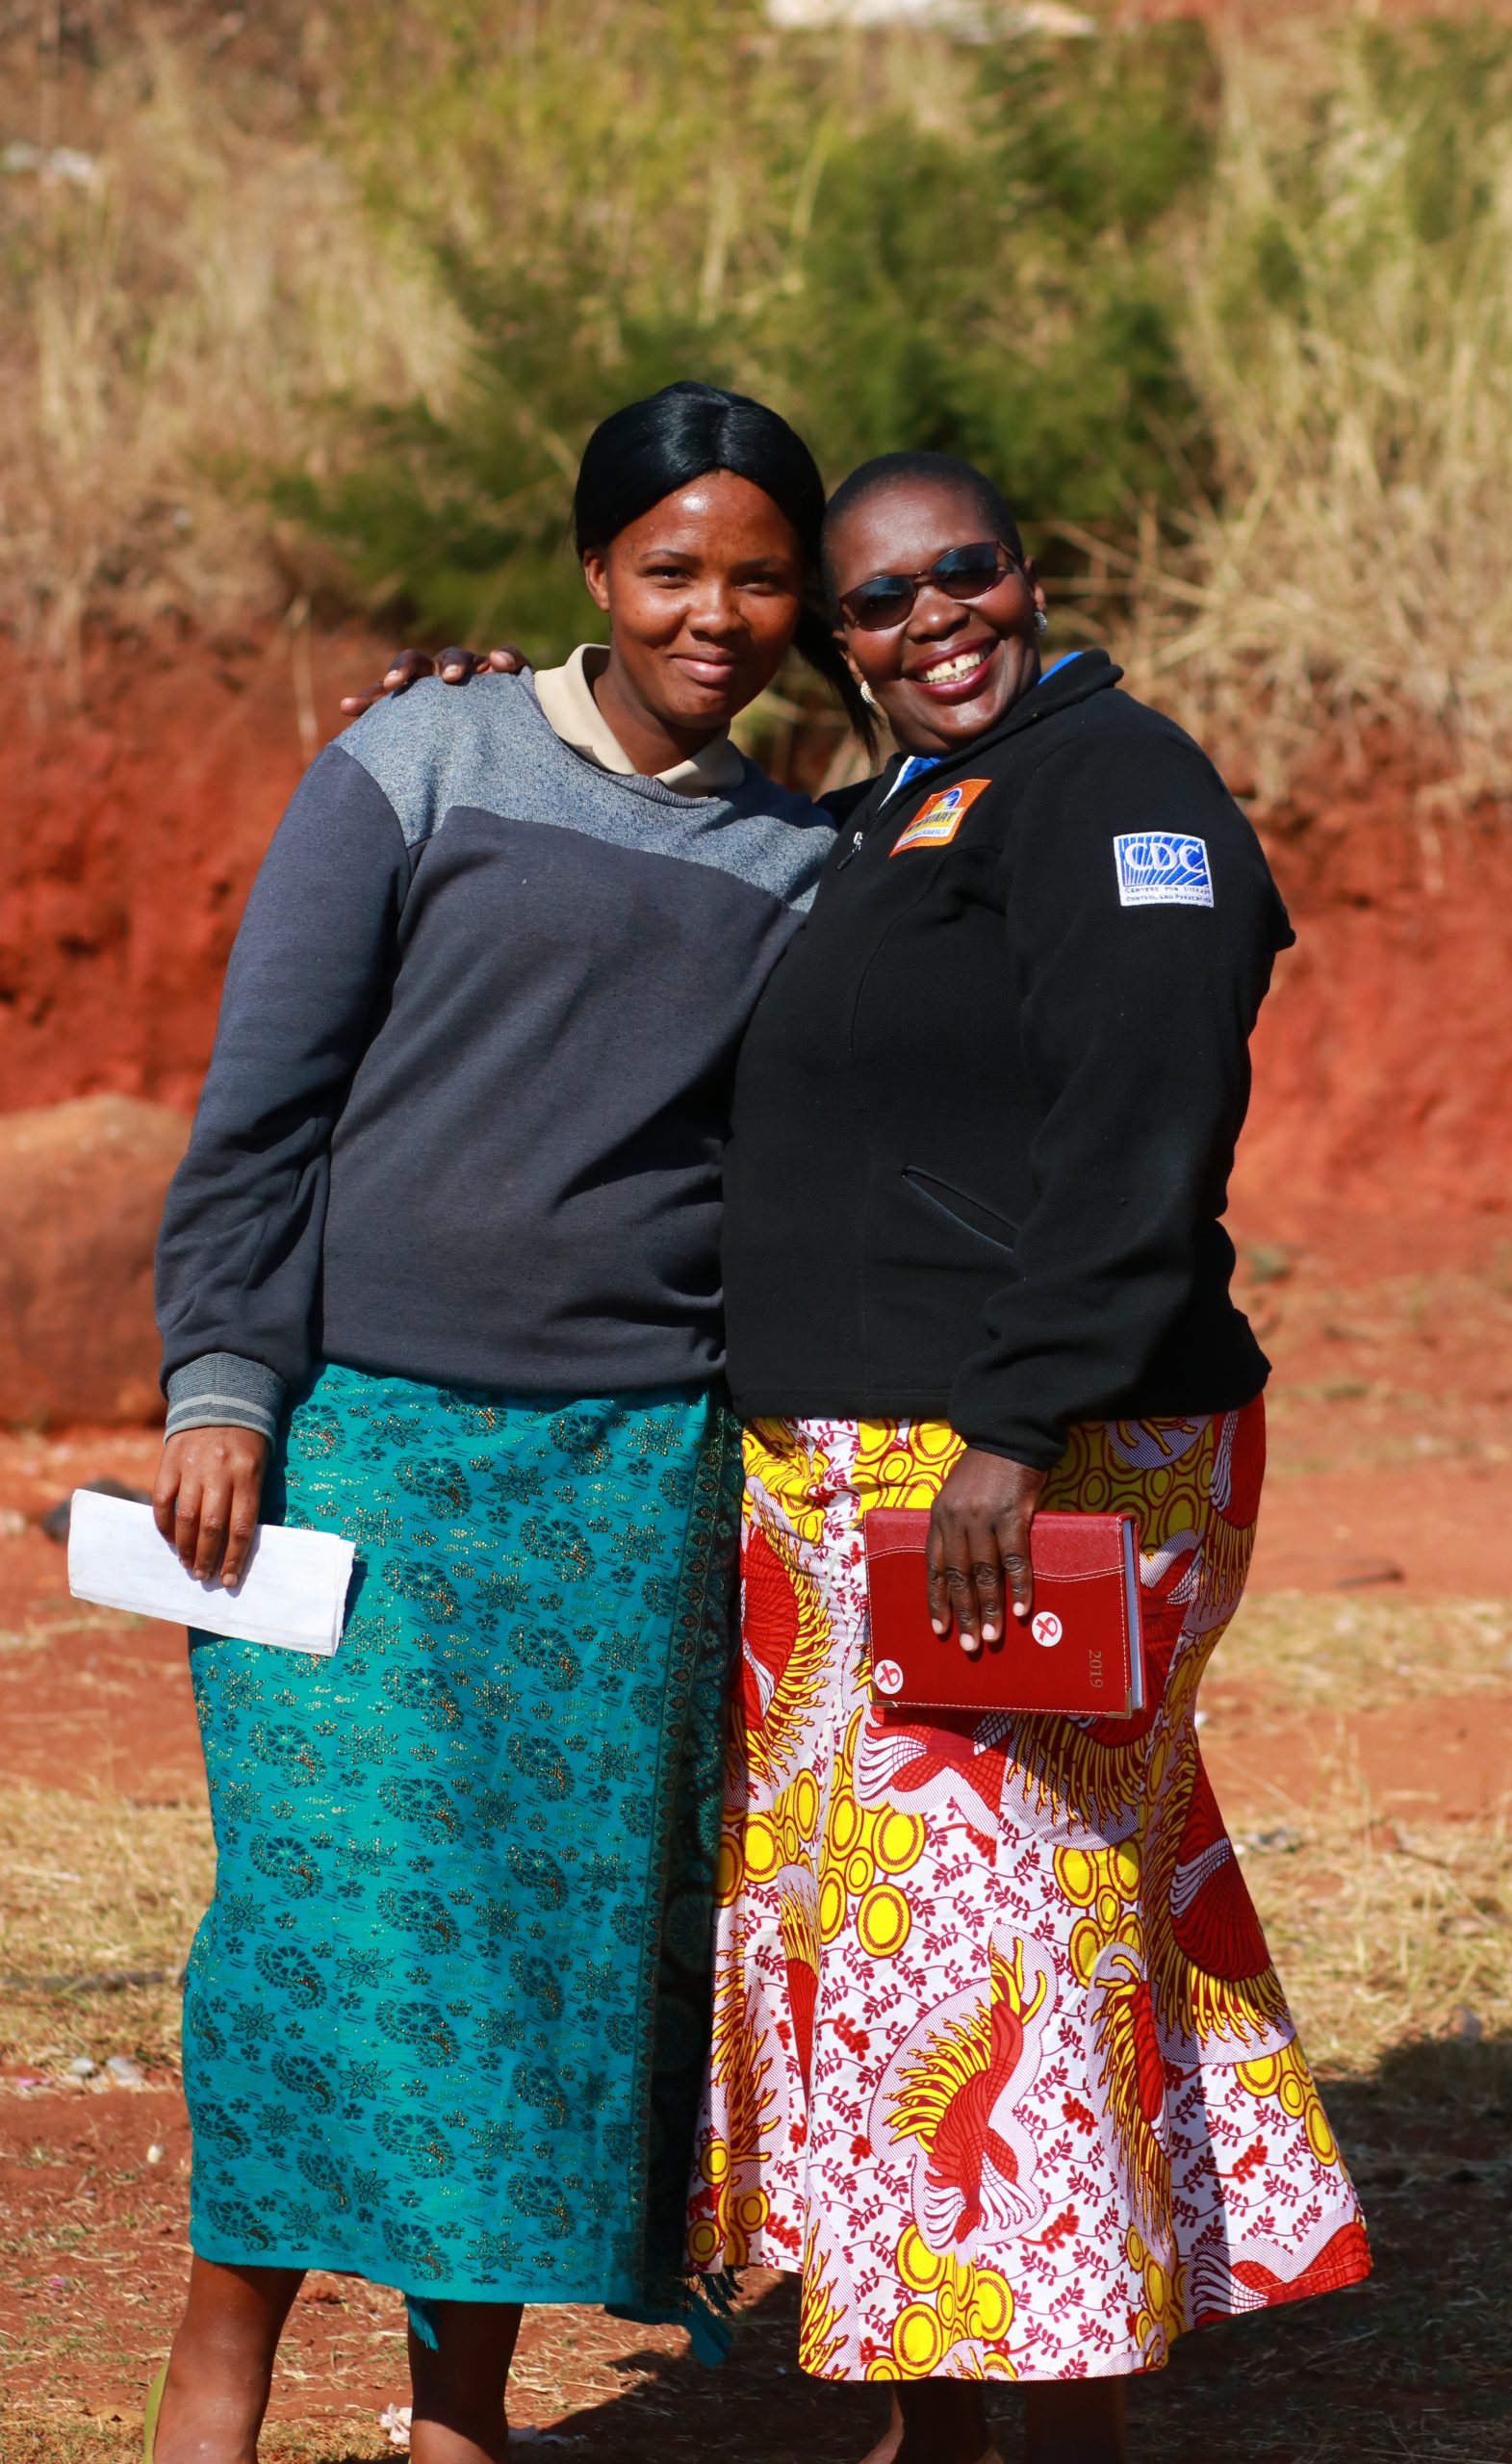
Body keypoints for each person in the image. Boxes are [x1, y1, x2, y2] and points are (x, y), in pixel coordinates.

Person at [142, 380, 867, 2464]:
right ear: (590, 571)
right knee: (311, 1933)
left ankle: (462, 2413)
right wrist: (223, 1390)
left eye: (754, 576)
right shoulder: (415, 756)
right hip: (355, 1456)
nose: (710, 611)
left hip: (622, 1492)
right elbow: (264, 1106)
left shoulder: (800, 854)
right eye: (669, 567)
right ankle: (217, 2386)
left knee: (524, 1971)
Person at [683, 452, 1372, 2464]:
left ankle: (1035, 2399)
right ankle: (954, 2378)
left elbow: (1140, 1123)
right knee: (929, 1925)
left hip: (1015, 1457)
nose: (929, 625)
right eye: (877, 607)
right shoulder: (913, 799)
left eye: (956, 577)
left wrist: (1006, 1426)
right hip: (871, 1462)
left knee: (995, 1927)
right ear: (842, 644)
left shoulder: (1120, 787)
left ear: (1026, 572)